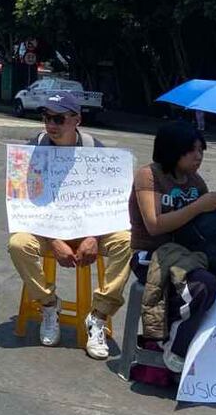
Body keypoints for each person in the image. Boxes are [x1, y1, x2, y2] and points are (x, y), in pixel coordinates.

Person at [7, 93, 133, 358]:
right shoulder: (34, 148)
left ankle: (98, 316)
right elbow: (25, 203)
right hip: (47, 229)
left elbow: (110, 201)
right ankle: (49, 304)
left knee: (126, 241)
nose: (50, 124)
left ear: (77, 120)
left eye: (58, 118)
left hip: (90, 229)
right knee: (18, 244)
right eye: (46, 118)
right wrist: (54, 240)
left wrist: (94, 238)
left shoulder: (96, 150)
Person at [129, 121, 216, 371]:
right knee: (203, 285)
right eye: (192, 150)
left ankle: (204, 350)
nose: (198, 156)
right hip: (152, 254)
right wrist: (199, 205)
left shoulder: (195, 182)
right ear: (172, 149)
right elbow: (154, 224)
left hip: (188, 254)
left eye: (201, 150)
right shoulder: (150, 175)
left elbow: (207, 229)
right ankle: (177, 344)